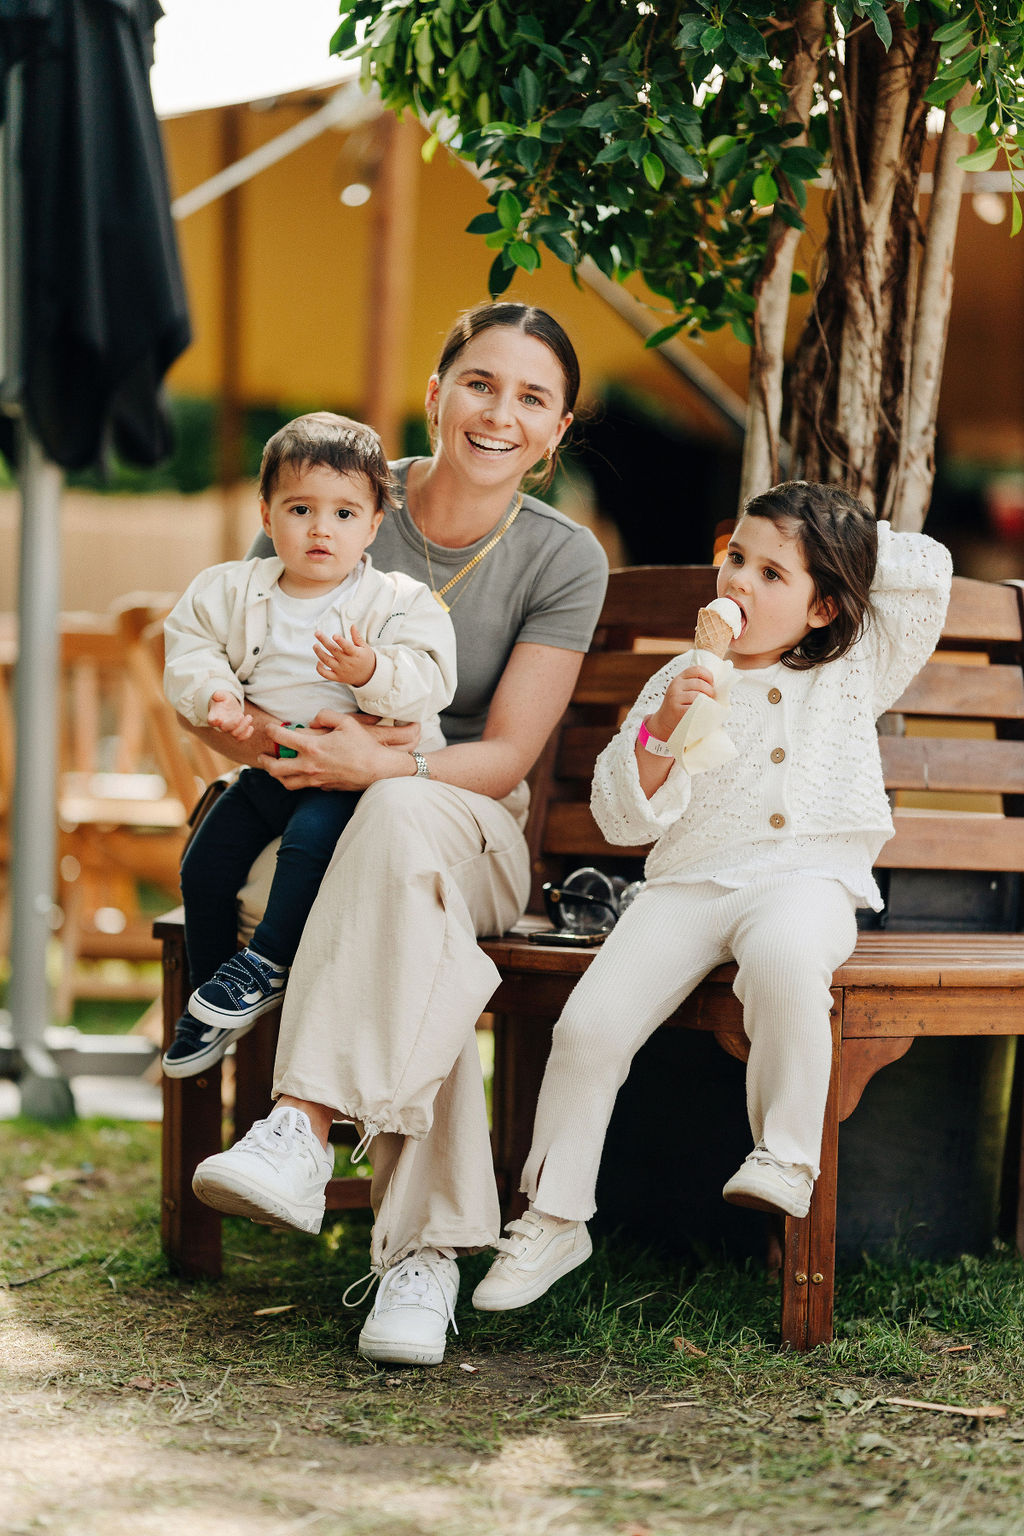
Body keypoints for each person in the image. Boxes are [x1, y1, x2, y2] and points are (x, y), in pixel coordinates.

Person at [182, 302, 609, 1364]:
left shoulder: (563, 557)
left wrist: (386, 767)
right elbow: (244, 681)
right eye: (480, 383)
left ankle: (301, 1124)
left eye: (532, 399)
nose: (499, 413)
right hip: (321, 817)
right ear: (435, 394)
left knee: (401, 815)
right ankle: (427, 1255)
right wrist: (263, 735)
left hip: (472, 822)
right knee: (419, 930)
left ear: (557, 431)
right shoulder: (333, 490)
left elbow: (505, 756)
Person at [470, 481, 953, 1314]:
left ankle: (786, 1154)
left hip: (807, 878)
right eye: (736, 558)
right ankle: (553, 1216)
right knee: (587, 1027)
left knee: (786, 958)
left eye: (772, 574)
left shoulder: (853, 666)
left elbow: (928, 571)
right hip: (688, 886)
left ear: (823, 609)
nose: (739, 582)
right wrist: (662, 728)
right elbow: (621, 814)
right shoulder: (682, 675)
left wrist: (835, 536)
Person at [161, 412, 457, 1078]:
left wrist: (372, 671)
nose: (322, 529)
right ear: (267, 516)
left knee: (306, 848)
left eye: (344, 514)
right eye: (301, 509)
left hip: (346, 783)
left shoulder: (398, 603)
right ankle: (209, 1001)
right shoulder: (230, 589)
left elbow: (431, 679)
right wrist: (216, 694)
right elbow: (191, 647)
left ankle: (264, 963)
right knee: (204, 865)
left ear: (374, 525)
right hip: (269, 773)